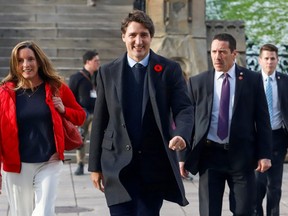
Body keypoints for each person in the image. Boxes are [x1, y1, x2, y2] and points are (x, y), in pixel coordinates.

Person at [88, 10, 193, 216]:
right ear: (124, 37)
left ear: (150, 37)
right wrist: (95, 166)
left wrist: (181, 134)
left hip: (153, 166)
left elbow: (184, 108)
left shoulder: (169, 69)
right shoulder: (107, 72)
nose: (138, 41)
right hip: (116, 165)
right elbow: (101, 119)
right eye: (133, 35)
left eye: (144, 35)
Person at [182, 33, 272, 216]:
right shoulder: (198, 82)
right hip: (209, 156)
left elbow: (262, 120)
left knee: (244, 210)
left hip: (241, 157)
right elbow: (188, 121)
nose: (217, 56)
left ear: (234, 54)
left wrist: (264, 154)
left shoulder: (252, 80)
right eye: (214, 51)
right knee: (209, 212)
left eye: (222, 52)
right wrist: (182, 156)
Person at [0, 41, 86, 216]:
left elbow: (81, 116)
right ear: (14, 65)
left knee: (44, 212)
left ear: (39, 61)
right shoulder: (5, 93)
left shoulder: (56, 87)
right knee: (21, 213)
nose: (26, 65)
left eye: (30, 59)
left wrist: (64, 109)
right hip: (17, 165)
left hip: (49, 162)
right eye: (20, 60)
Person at [253, 44, 288, 216]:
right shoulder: (252, 81)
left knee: (274, 187)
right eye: (266, 58)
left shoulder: (285, 81)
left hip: (278, 138)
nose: (269, 62)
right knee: (257, 186)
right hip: (256, 139)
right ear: (260, 60)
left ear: (277, 60)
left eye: (272, 58)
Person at [69, 50, 100, 175]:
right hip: (82, 113)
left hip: (97, 113)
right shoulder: (77, 78)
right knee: (80, 139)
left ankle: (97, 164)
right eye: (95, 61)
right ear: (88, 62)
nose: (98, 63)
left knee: (97, 138)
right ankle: (80, 163)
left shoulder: (100, 76)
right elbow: (70, 97)